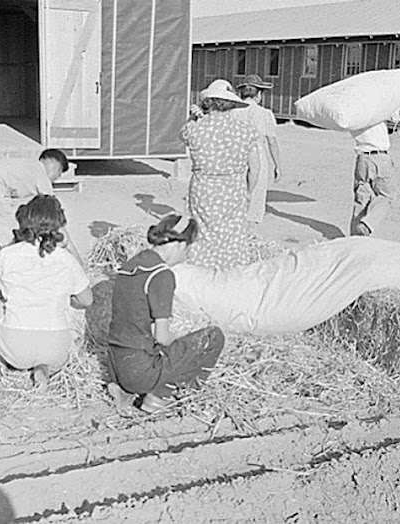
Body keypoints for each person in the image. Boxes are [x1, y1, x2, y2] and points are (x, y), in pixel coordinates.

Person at [107, 214, 225, 415]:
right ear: (179, 244)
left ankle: (127, 391)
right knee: (213, 337)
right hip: (139, 370)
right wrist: (183, 350)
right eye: (188, 248)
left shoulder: (129, 267)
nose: (187, 255)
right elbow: (161, 337)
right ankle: (163, 395)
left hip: (115, 364)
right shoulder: (161, 274)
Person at [0, 195, 93, 387]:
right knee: (68, 311)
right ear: (59, 225)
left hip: (15, 347)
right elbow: (87, 300)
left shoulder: (7, 255)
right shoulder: (66, 259)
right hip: (57, 349)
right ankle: (43, 368)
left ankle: (1, 361)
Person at [180, 79, 260, 270]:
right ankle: (231, 273)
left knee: (202, 232)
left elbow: (181, 135)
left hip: (203, 187)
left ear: (207, 102)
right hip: (233, 189)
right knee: (233, 234)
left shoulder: (195, 129)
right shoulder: (245, 131)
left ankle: (202, 271)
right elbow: (255, 168)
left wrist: (195, 116)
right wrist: (248, 192)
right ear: (232, 103)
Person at [349, 83, 400, 236]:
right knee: (387, 195)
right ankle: (367, 224)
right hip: (379, 158)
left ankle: (355, 240)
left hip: (362, 160)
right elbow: (399, 114)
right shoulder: (378, 110)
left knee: (361, 200)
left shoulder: (352, 114)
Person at [234, 74, 284, 224]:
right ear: (259, 95)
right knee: (256, 189)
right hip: (257, 150)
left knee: (237, 188)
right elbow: (272, 142)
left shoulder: (233, 111)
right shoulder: (265, 114)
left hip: (236, 152)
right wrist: (278, 165)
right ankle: (252, 221)